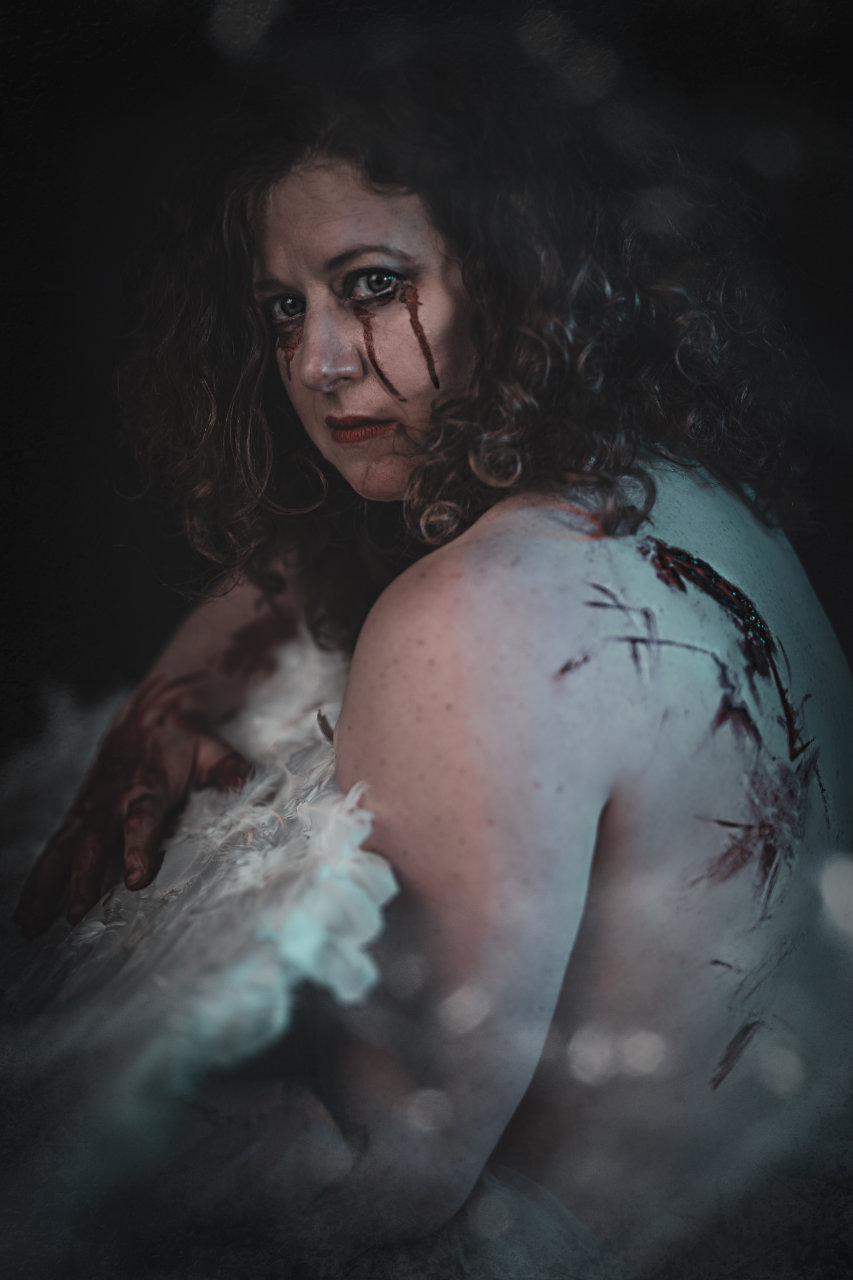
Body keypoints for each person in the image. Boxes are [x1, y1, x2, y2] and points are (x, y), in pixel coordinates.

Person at [9, 20, 853, 1279]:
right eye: (283, 307)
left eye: (369, 286)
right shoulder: (698, 501)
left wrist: (57, 1124)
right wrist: (170, 695)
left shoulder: (468, 614)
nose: (314, 363)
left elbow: (376, 1167)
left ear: (522, 273)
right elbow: (294, 564)